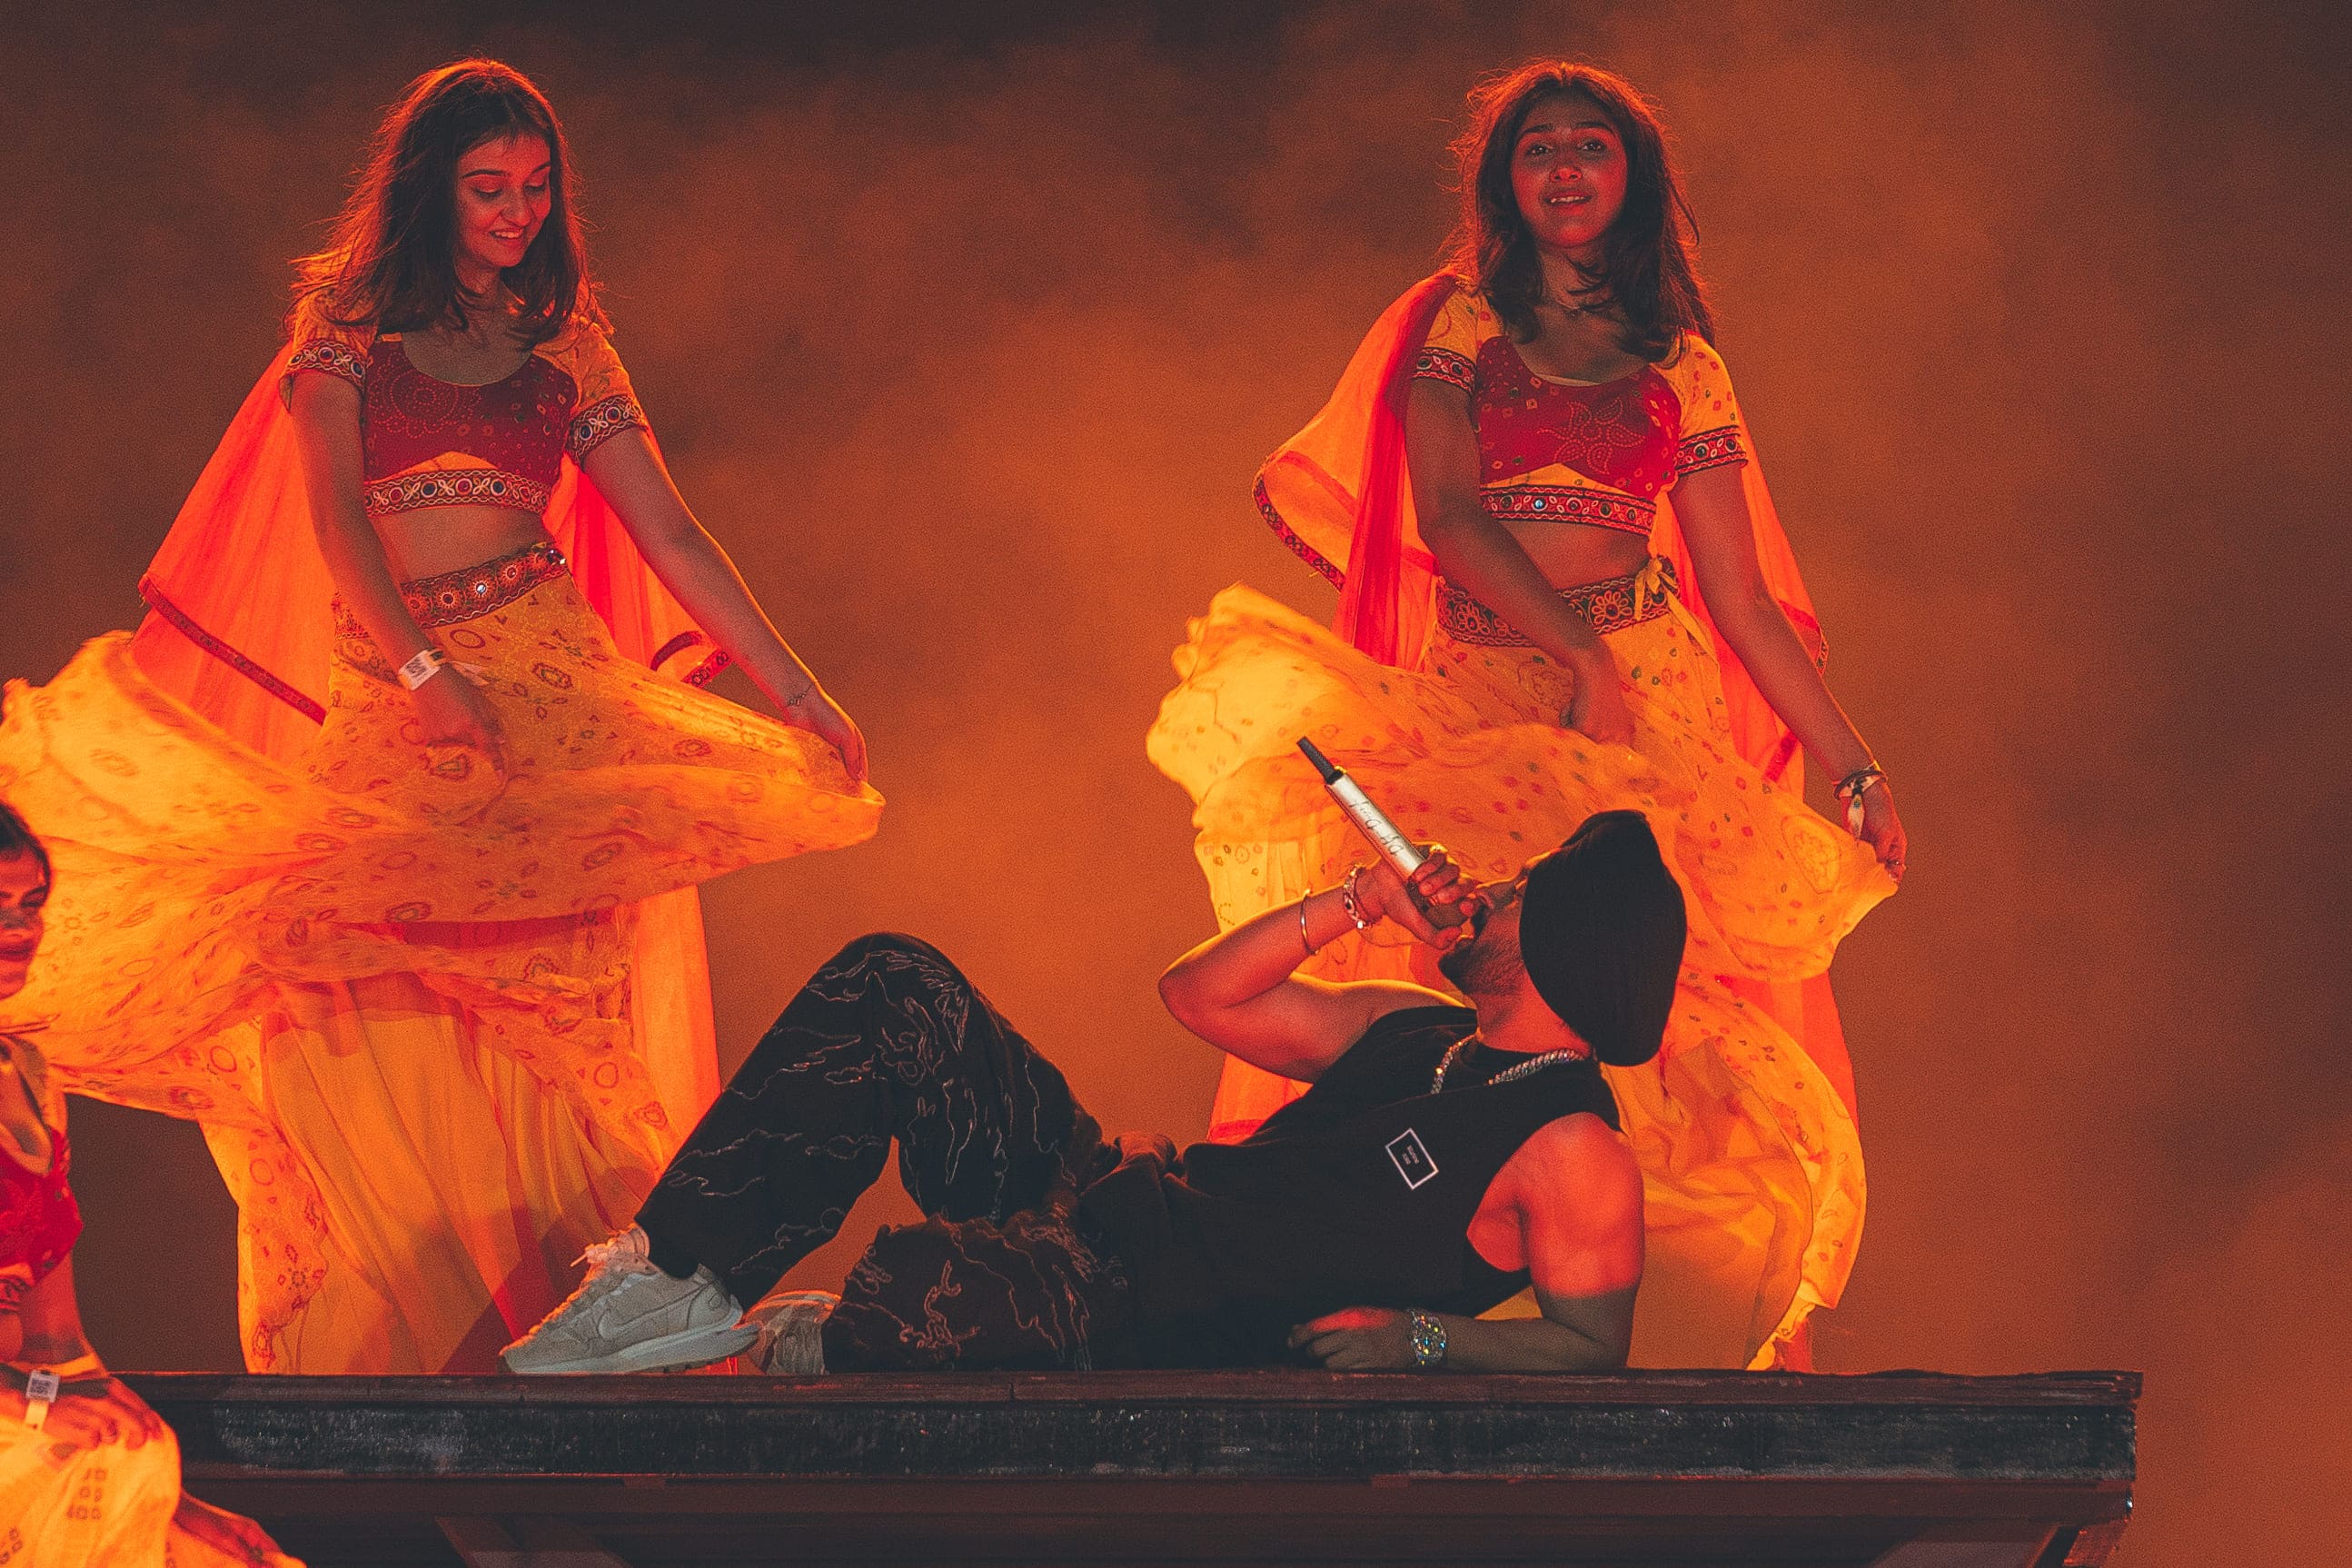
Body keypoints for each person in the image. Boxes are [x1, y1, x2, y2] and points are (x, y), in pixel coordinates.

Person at [0, 61, 882, 1374]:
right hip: (398, 692)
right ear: (429, 190)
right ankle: (417, 1343)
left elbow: (674, 534)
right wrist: (424, 673)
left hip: (547, 693)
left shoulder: (566, 341)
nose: (518, 213)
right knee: (324, 975)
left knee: (546, 1028)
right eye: (488, 189)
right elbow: (335, 517)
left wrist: (800, 689)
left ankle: (566, 1343)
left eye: (536, 187)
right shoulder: (345, 330)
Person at [1146, 61, 1902, 1368]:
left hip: (1644, 702)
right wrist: (1575, 657)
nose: (1563, 167)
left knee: (1642, 1008)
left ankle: (1590, 1308)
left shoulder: (1684, 366)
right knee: (1444, 964)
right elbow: (1448, 517)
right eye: (1537, 146)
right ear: (1505, 179)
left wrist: (1854, 766)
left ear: (1632, 176)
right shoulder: (1457, 325)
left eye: (1590, 146)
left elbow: (1740, 599)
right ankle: (1335, 1282)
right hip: (1491, 690)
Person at [500, 811, 1680, 1377]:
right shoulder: (1408, 1022)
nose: (1485, 893)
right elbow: (1198, 996)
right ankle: (675, 1279)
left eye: (1517, 892)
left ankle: (804, 1340)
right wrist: (1354, 903)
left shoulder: (1572, 1144)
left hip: (1165, 1324)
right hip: (1110, 1200)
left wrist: (1417, 1338)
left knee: (914, 1297)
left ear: (1566, 945)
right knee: (895, 982)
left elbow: (1591, 1343)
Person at [0, 803, 301, 1566]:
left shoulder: (30, 1079)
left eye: (31, 903)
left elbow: (56, 1342)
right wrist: (31, 1411)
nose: (20, 928)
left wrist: (182, 1505)